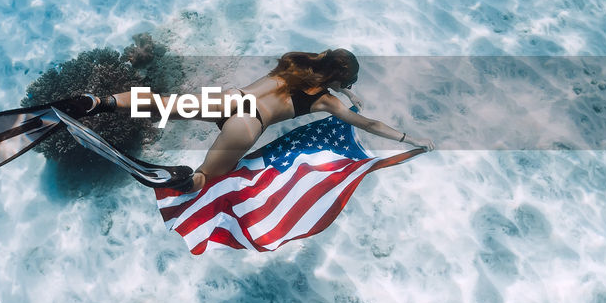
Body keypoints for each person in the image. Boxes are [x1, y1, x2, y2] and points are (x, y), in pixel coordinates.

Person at [67, 48, 435, 193]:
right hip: (247, 123)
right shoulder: (325, 100)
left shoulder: (295, 63)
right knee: (205, 179)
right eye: (348, 84)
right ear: (337, 81)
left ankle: (99, 102)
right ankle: (174, 177)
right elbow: (369, 125)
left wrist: (348, 89)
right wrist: (406, 137)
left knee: (162, 104)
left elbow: (325, 70)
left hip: (227, 100)